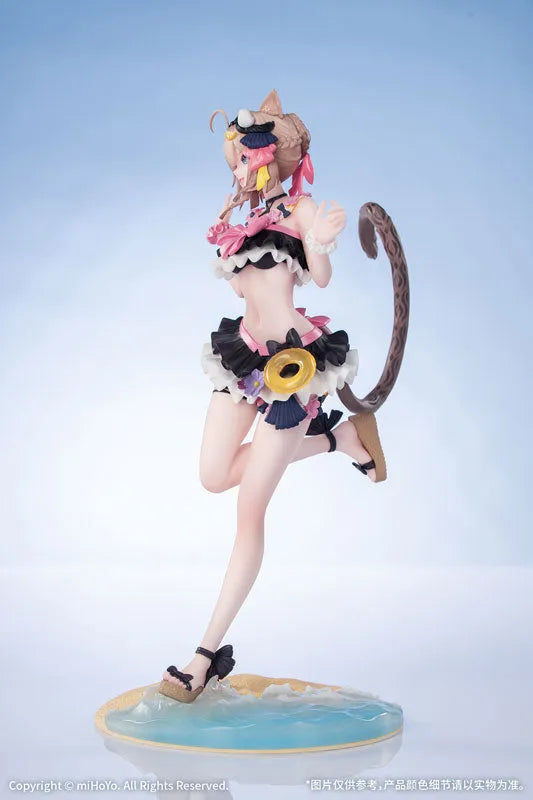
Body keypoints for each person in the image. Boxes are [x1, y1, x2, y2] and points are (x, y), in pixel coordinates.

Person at [158, 90, 387, 703]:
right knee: (213, 476)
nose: (236, 168)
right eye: (233, 159)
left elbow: (321, 277)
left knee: (249, 512)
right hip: (243, 356)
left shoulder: (300, 207)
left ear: (269, 157)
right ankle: (339, 439)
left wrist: (322, 241)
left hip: (293, 367)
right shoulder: (241, 218)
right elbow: (246, 292)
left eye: (244, 157)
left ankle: (204, 657)